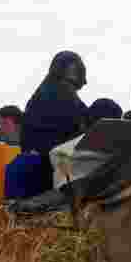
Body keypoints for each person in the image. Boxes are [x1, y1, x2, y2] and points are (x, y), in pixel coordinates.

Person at [21, 51, 90, 182]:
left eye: (74, 84)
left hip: (61, 163)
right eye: (68, 81)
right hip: (48, 166)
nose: (70, 87)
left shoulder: (66, 97)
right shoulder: (52, 95)